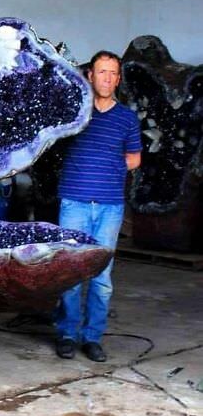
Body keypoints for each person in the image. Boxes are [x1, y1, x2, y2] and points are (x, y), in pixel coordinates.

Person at [55, 50, 142, 362]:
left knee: (102, 278)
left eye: (112, 73)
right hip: (74, 202)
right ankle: (67, 333)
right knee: (70, 271)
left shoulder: (127, 118)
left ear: (118, 78)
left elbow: (134, 159)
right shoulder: (73, 114)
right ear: (89, 75)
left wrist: (107, 166)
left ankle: (92, 337)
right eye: (101, 72)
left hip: (109, 206)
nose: (107, 78)